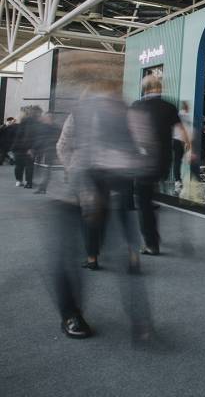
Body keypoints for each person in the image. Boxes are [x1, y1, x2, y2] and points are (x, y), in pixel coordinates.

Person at [54, 78, 153, 340]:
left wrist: (133, 163)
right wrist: (75, 173)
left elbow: (137, 150)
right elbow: (62, 146)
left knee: (124, 252)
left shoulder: (124, 114)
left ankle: (139, 318)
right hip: (79, 187)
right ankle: (71, 315)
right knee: (68, 253)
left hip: (114, 187)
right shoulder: (79, 114)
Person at [130, 75, 190, 256]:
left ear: (145, 89)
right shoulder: (169, 107)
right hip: (162, 163)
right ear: (159, 88)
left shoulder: (136, 106)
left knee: (144, 203)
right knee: (149, 195)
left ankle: (151, 243)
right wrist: (188, 148)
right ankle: (153, 233)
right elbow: (182, 133)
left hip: (143, 162)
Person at [11, 106, 41, 188]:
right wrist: (31, 148)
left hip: (19, 147)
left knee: (19, 165)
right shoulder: (33, 121)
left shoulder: (24, 121)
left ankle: (19, 181)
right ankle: (28, 182)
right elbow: (29, 135)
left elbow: (19, 135)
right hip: (27, 147)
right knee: (29, 166)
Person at [34, 111, 60, 194]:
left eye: (46, 117)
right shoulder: (42, 127)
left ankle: (43, 187)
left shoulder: (56, 128)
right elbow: (38, 139)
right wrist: (34, 148)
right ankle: (42, 187)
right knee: (41, 170)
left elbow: (58, 140)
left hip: (49, 152)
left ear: (50, 118)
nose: (44, 118)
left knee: (47, 170)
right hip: (41, 152)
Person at [172, 101, 192, 193]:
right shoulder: (184, 115)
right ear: (186, 106)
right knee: (178, 161)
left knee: (178, 161)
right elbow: (184, 129)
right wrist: (187, 142)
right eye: (188, 106)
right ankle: (177, 180)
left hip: (177, 140)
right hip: (180, 140)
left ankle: (178, 180)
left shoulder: (179, 115)